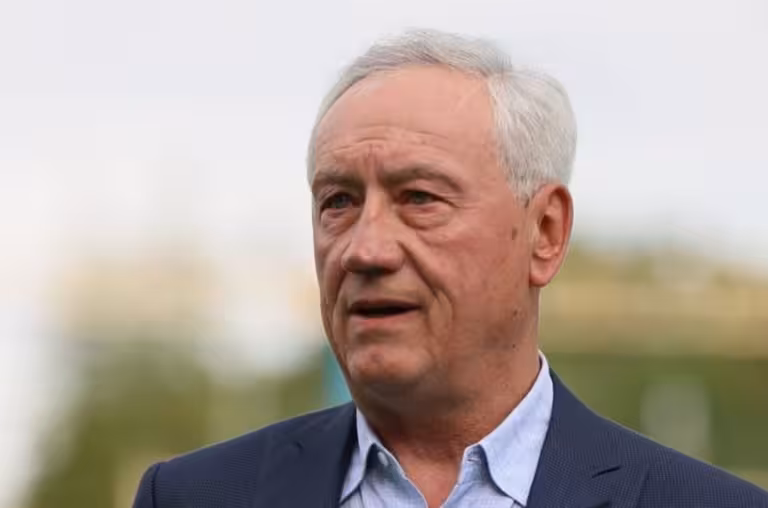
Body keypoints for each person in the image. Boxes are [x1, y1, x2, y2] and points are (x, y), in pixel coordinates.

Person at [133, 29, 768, 508]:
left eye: (419, 198)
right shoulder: (192, 496)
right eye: (339, 202)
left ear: (545, 233)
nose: (365, 249)